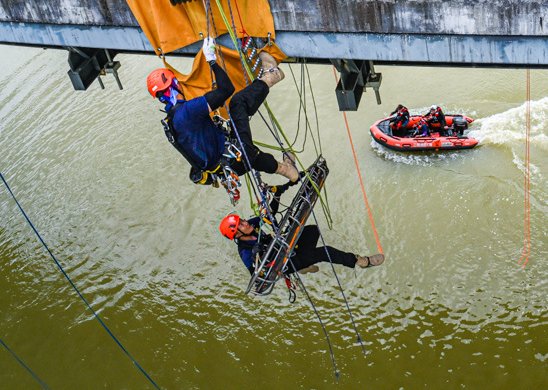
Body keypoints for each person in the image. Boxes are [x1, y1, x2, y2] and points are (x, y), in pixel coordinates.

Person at [147, 39, 301, 188]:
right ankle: (271, 75)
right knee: (237, 103)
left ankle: (287, 170)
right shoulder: (187, 111)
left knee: (251, 155)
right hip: (235, 157)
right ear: (175, 85)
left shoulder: (169, 123)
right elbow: (227, 89)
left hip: (227, 168)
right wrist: (211, 60)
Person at [221, 210, 384, 276]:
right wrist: (258, 256)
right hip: (285, 263)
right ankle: (361, 261)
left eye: (242, 220)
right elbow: (257, 277)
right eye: (241, 225)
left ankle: (305, 263)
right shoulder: (245, 252)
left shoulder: (253, 224)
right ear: (237, 234)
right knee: (324, 252)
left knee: (312, 231)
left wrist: (277, 194)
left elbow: (267, 215)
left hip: (285, 246)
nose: (246, 223)